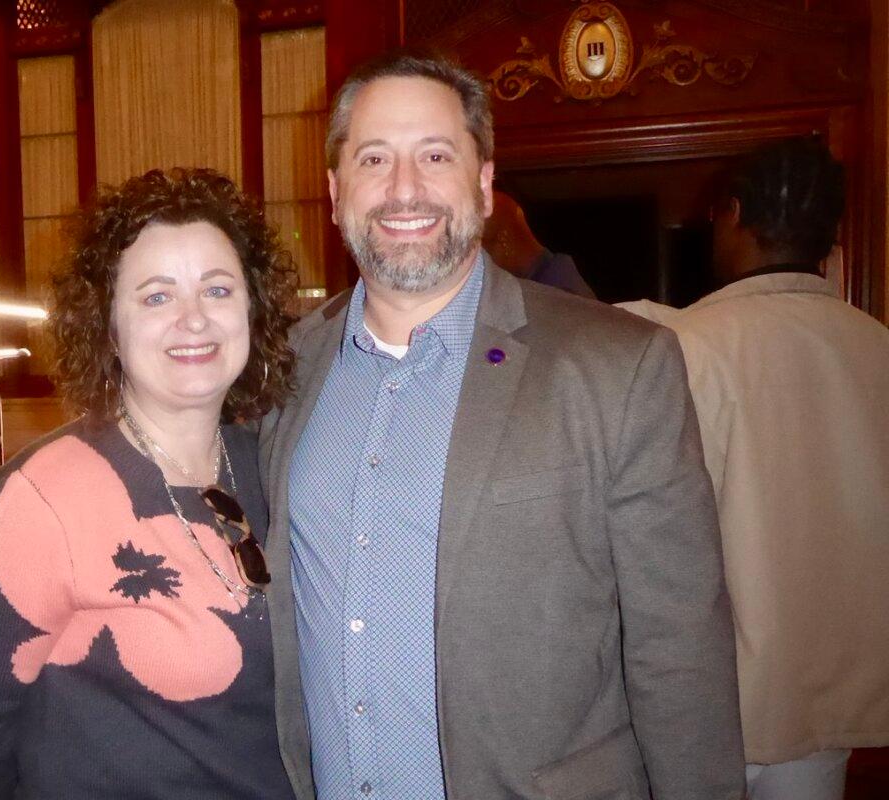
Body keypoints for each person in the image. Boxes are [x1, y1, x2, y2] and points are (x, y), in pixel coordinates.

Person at [258, 50, 744, 799]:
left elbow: (680, 650)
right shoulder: (283, 373)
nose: (404, 188)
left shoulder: (620, 366)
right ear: (334, 191)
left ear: (484, 185)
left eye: (436, 155)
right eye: (375, 158)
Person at [0, 168, 298, 800]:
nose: (194, 320)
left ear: (252, 310)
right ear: (108, 327)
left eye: (218, 290)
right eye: (156, 297)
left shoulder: (278, 466)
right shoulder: (40, 498)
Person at [629, 138, 889, 800]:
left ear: (734, 213)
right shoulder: (877, 346)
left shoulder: (678, 349)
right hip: (833, 693)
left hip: (710, 698)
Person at [482, 189, 596, 298]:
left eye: (479, 251)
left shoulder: (553, 294)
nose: (478, 266)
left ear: (503, 240)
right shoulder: (558, 281)